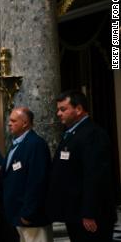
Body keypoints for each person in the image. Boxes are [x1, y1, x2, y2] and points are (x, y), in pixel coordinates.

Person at [47, 90, 117, 242]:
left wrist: (89, 213)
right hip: (75, 212)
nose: (58, 113)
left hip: (91, 216)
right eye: (58, 109)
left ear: (78, 109)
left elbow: (95, 176)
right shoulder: (73, 133)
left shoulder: (92, 134)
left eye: (63, 109)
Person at [0, 107, 52, 242]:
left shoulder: (36, 144)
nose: (9, 123)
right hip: (17, 214)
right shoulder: (16, 144)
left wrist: (28, 214)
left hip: (30, 217)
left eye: (13, 121)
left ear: (25, 123)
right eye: (9, 120)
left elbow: (37, 182)